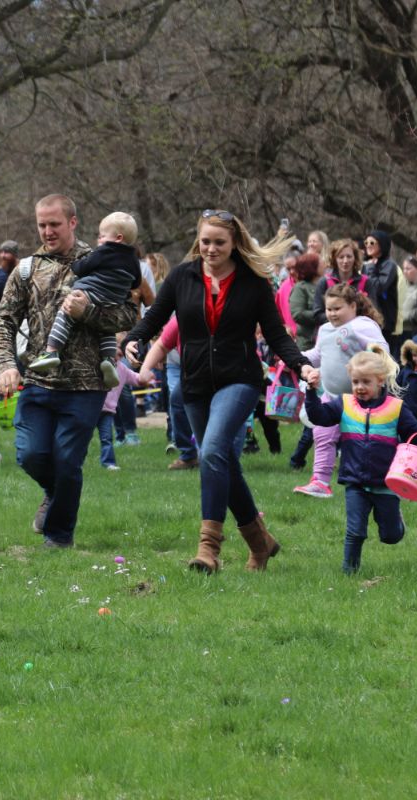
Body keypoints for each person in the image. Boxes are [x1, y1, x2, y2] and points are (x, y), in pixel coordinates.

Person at [123, 209, 317, 572]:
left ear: (234, 244)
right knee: (222, 462)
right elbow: (154, 318)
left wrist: (301, 363)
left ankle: (208, 548)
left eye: (219, 243)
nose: (210, 249)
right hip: (194, 385)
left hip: (239, 379)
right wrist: (134, 339)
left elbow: (275, 334)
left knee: (211, 451)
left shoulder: (254, 281)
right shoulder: (182, 277)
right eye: (205, 241)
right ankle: (260, 543)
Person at [0, 194, 137, 548]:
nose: (47, 231)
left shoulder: (102, 260)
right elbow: (4, 321)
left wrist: (88, 312)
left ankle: (59, 538)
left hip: (86, 384)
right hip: (39, 380)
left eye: (54, 224)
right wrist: (7, 365)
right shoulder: (27, 269)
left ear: (72, 222)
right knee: (31, 455)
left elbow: (130, 316)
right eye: (42, 224)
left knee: (68, 460)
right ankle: (54, 493)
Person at [304, 347, 417, 574]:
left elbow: (415, 436)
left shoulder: (395, 408)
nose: (359, 387)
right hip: (355, 481)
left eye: (366, 382)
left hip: (387, 482)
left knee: (390, 536)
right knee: (355, 531)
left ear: (380, 381)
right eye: (355, 382)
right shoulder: (344, 405)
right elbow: (319, 417)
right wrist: (311, 393)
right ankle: (349, 572)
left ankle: (397, 525)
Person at [295, 283, 387, 499]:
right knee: (322, 433)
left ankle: (374, 481)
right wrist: (296, 357)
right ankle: (320, 481)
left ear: (353, 306)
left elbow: (381, 348)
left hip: (361, 399)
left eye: (338, 308)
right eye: (329, 309)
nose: (332, 313)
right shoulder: (325, 329)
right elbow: (318, 354)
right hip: (332, 396)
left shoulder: (362, 325)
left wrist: (371, 360)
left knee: (361, 442)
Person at [29, 212, 141, 387]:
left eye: (102, 236)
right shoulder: (134, 259)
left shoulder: (105, 251)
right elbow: (137, 282)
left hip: (91, 292)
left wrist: (76, 266)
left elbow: (84, 267)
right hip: (115, 300)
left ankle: (51, 351)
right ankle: (109, 360)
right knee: (106, 328)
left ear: (118, 238)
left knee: (66, 312)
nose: (99, 240)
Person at [134, 316, 197, 469]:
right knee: (176, 400)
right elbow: (161, 343)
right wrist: (146, 367)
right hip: (187, 367)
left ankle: (223, 454)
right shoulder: (179, 315)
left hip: (219, 369)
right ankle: (188, 454)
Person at [96, 344, 141, 470]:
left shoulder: (121, 368)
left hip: (107, 410)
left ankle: (108, 463)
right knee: (82, 437)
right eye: (115, 353)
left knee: (107, 438)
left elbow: (135, 378)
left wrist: (146, 378)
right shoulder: (96, 364)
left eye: (121, 355)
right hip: (91, 408)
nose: (117, 357)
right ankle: (75, 461)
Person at [312, 239, 369, 327]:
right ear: (334, 259)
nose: (345, 261)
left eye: (349, 256)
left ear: (355, 258)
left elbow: (372, 311)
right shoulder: (324, 282)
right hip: (331, 332)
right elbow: (317, 314)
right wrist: (339, 319)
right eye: (341, 257)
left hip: (358, 331)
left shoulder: (366, 281)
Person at [362, 230, 400, 342]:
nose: (368, 245)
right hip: (368, 314)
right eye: (366, 243)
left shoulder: (389, 264)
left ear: (382, 244)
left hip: (384, 317)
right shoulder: (367, 263)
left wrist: (370, 268)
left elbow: (378, 288)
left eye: (372, 243)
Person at [287, 253, 322, 351]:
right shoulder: (300, 288)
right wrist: (322, 316)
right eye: (320, 262)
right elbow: (298, 314)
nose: (325, 264)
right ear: (312, 267)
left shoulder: (325, 284)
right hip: (308, 343)